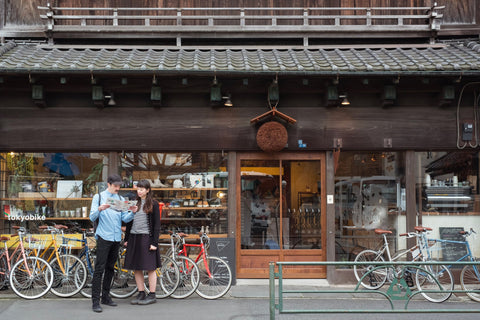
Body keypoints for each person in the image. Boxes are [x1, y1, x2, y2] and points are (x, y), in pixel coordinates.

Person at [89, 174, 137, 313]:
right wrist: (100, 209)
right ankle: (95, 301)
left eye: (119, 185)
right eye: (115, 185)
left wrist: (133, 213)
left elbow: (125, 219)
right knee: (99, 269)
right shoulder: (98, 197)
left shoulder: (121, 199)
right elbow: (91, 216)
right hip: (104, 237)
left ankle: (105, 297)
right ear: (108, 184)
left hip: (116, 238)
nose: (118, 188)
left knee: (111, 269)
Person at [124, 179, 162, 305]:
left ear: (147, 190)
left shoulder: (153, 204)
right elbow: (128, 221)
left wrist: (154, 243)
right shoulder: (133, 202)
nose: (139, 191)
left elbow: (157, 225)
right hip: (134, 237)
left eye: (141, 189)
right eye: (138, 189)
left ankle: (152, 294)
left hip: (147, 238)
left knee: (150, 268)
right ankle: (141, 293)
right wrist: (127, 239)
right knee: (136, 267)